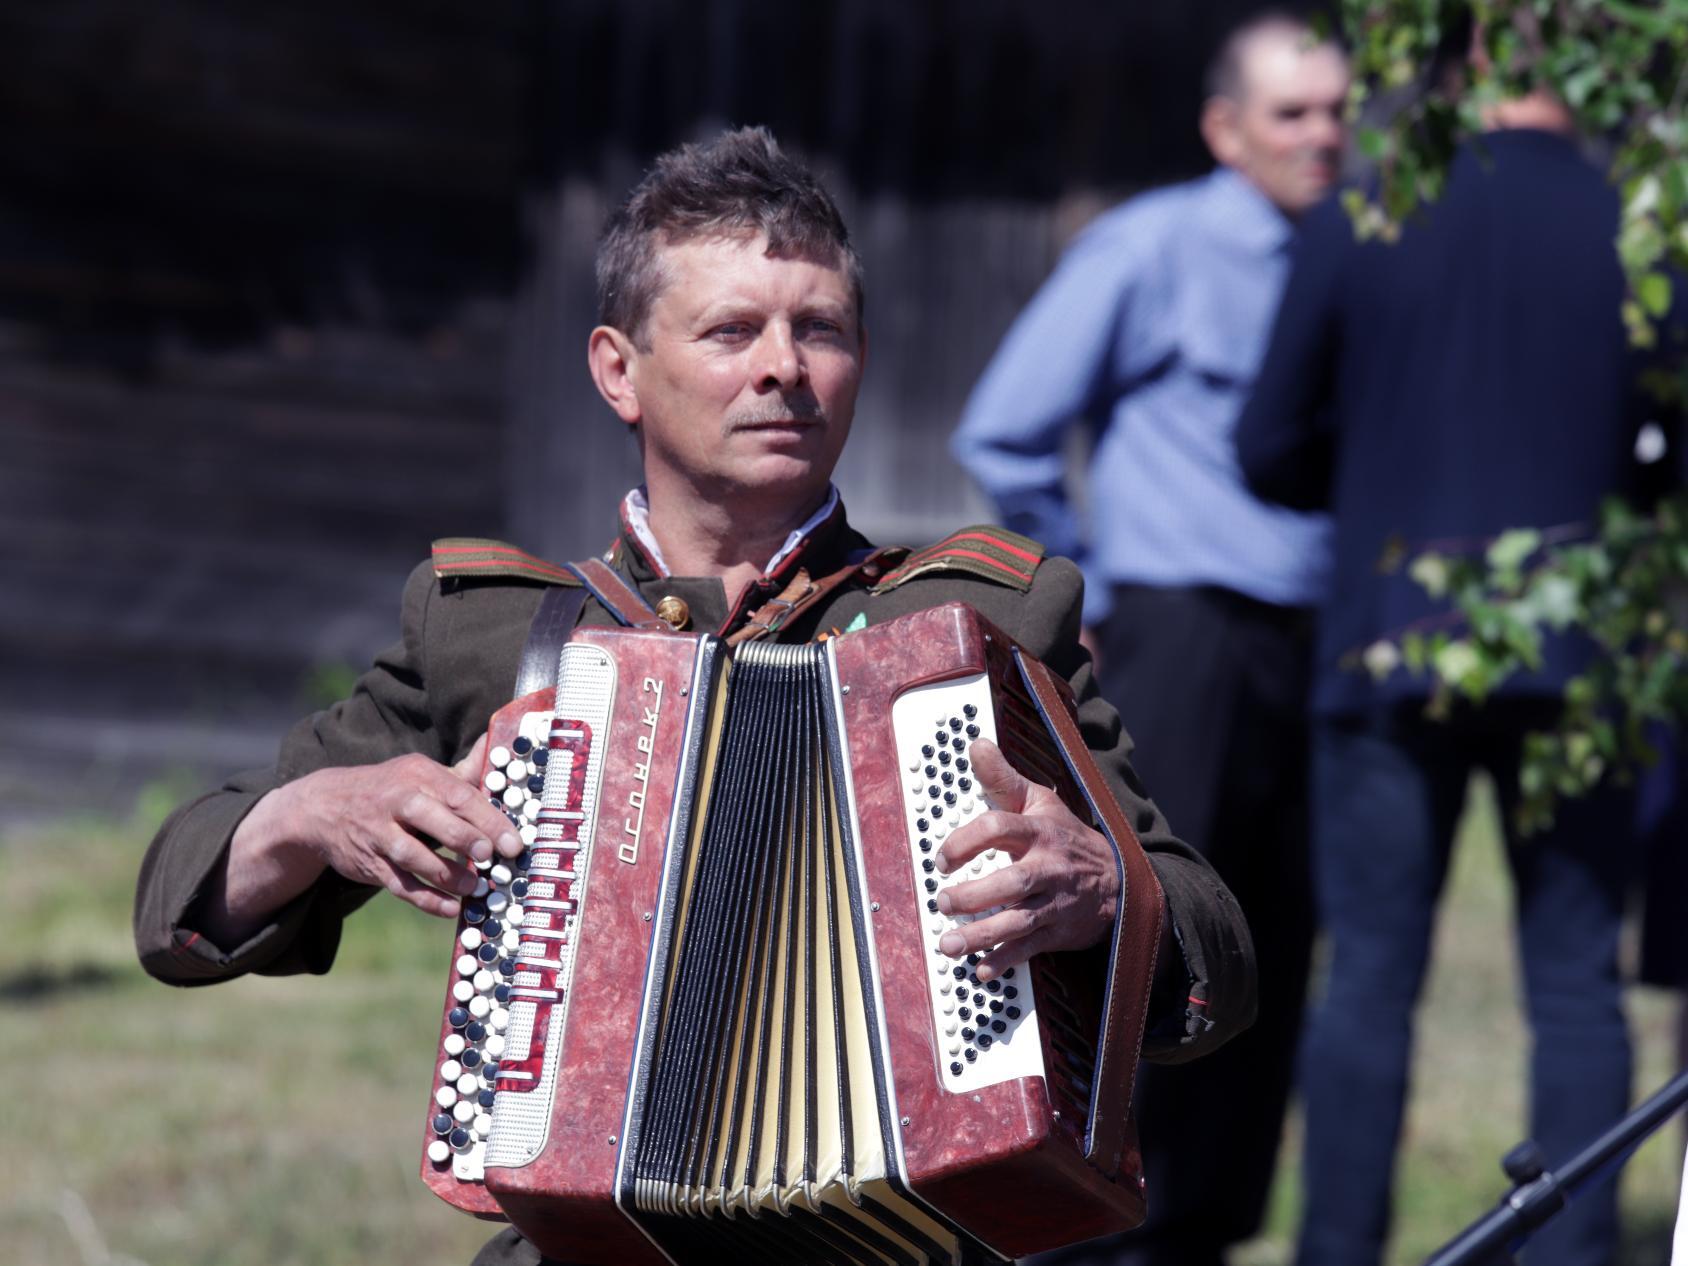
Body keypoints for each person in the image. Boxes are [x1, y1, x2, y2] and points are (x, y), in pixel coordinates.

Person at [134, 127, 1257, 1266]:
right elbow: (181, 902)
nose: (783, 367)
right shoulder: (499, 635)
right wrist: (314, 813)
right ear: (618, 369)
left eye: (818, 329)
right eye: (730, 331)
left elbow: (1213, 944)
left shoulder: (978, 628)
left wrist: (1104, 889)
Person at [1235, 78, 1673, 1266]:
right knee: (1576, 986)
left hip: (1388, 636)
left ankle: (1339, 1250)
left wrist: (1382, 483)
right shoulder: (1639, 220)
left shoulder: (1366, 205)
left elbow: (1264, 443)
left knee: (1367, 979)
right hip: (1577, 651)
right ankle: (1568, 1258)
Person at [950, 14, 1347, 1264]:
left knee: (1272, 943)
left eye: (1337, 111)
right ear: (1222, 129)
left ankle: (1206, 1229)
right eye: (1290, 114)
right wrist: (1100, 591)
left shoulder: (1350, 253)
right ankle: (1102, 1215)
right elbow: (1005, 428)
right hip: (1181, 630)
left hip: (1316, 645)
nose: (1321, 137)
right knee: (1154, 928)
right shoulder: (1152, 247)